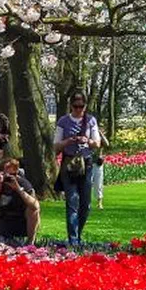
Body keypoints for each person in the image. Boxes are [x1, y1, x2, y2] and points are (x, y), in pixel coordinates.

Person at [53, 91, 102, 246]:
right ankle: (73, 240)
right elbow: (55, 146)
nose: (78, 109)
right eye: (76, 106)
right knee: (72, 201)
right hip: (69, 165)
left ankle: (78, 233)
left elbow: (97, 143)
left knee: (85, 204)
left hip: (86, 163)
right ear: (71, 106)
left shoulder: (91, 121)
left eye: (81, 106)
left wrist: (87, 141)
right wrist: (68, 141)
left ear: (85, 106)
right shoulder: (63, 121)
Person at [0, 158, 40, 244]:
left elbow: (35, 207)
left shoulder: (23, 183)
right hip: (4, 220)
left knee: (32, 210)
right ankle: (6, 241)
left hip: (23, 221)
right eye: (8, 174)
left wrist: (19, 190)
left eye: (14, 174)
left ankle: (30, 241)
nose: (11, 177)